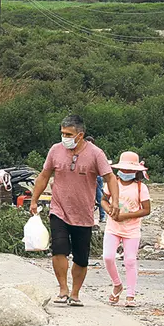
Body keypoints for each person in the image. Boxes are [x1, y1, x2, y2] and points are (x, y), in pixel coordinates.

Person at [29, 115, 118, 307]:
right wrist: (34, 200)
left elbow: (110, 178)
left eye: (68, 134)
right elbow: (44, 175)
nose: (64, 137)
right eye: (62, 133)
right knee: (59, 249)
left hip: (84, 214)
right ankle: (63, 289)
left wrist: (114, 202)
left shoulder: (96, 154)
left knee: (81, 257)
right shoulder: (55, 150)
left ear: (80, 135)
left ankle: (75, 293)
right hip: (59, 209)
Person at [102, 152, 151, 308]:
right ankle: (117, 284)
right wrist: (109, 210)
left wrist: (126, 216)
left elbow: (146, 209)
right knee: (108, 257)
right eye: (125, 170)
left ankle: (131, 294)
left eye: (130, 170)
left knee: (130, 260)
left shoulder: (140, 187)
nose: (127, 173)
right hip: (113, 227)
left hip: (131, 229)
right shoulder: (112, 184)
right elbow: (103, 200)